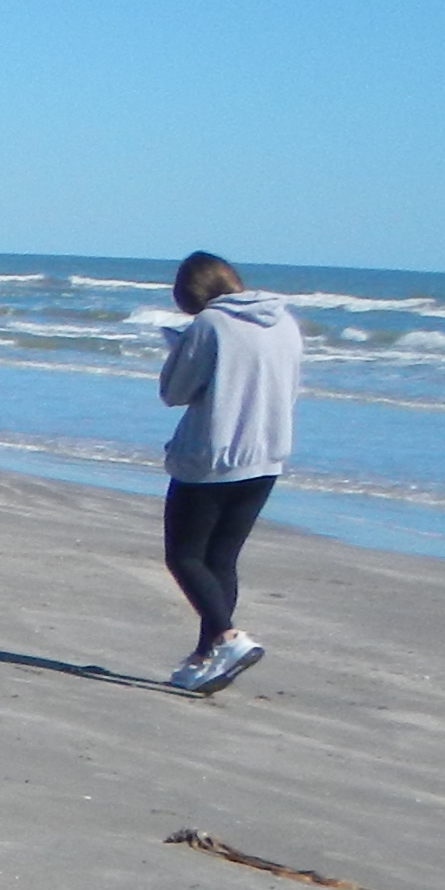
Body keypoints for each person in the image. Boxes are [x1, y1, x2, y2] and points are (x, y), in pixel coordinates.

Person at [156, 249, 300, 694]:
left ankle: (228, 637)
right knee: (221, 559)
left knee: (185, 555)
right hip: (267, 453)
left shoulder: (210, 324)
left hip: (213, 455)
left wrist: (179, 350)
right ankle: (206, 657)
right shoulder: (284, 322)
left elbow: (174, 391)